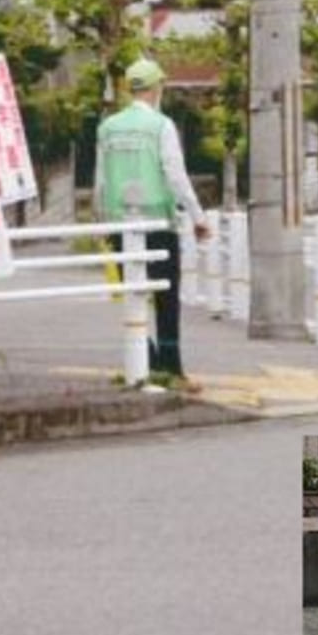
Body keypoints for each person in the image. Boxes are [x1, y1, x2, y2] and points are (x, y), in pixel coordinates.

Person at [92, 57, 209, 391]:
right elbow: (175, 175)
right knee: (166, 296)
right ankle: (171, 368)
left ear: (130, 89)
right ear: (157, 87)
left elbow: (100, 180)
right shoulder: (162, 125)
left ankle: (144, 361)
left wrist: (101, 220)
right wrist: (198, 216)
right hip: (158, 221)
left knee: (133, 294)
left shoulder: (107, 127)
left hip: (119, 223)